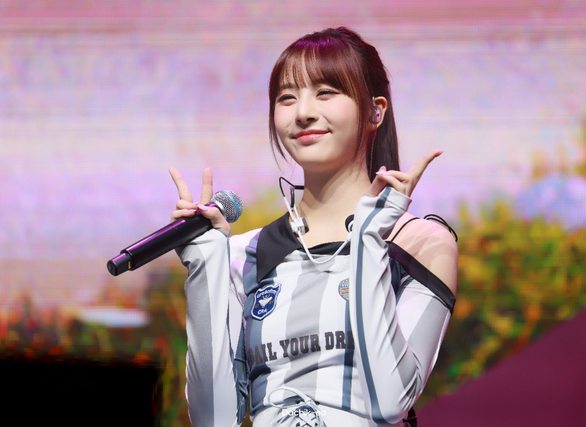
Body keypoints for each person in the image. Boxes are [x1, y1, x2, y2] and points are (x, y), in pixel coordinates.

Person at [169, 27, 458, 427]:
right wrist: (206, 267)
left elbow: (391, 400)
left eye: (325, 93)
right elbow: (214, 419)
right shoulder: (245, 256)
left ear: (375, 111)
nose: (302, 112)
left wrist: (368, 240)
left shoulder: (419, 243)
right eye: (287, 98)